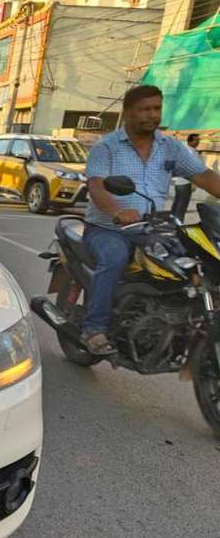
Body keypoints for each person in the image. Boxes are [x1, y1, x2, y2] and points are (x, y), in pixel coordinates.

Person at [82, 85, 220, 355]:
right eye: (145, 109)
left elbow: (204, 177)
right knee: (114, 258)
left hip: (153, 227)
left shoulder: (171, 148)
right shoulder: (107, 148)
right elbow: (97, 187)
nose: (153, 115)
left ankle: (183, 322)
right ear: (128, 112)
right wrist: (117, 211)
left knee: (195, 260)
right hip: (108, 228)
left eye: (157, 108)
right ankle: (94, 329)